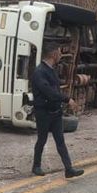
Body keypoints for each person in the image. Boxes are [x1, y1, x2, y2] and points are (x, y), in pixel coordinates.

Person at [31, 44, 84, 178]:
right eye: (59, 53)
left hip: (55, 112)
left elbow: (55, 90)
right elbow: (48, 92)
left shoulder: (52, 70)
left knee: (60, 142)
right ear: (53, 54)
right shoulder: (39, 72)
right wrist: (67, 99)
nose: (61, 56)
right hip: (43, 112)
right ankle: (36, 166)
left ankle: (69, 169)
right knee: (42, 140)